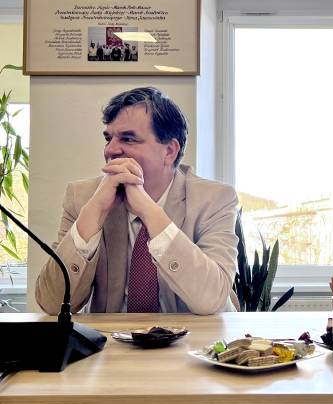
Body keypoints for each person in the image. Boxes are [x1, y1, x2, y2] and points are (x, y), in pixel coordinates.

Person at [36, 87, 239, 315]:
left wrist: (149, 211)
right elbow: (52, 303)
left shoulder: (214, 199)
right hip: (111, 336)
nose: (110, 150)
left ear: (170, 151)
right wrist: (95, 211)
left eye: (128, 139)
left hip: (193, 336)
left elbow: (211, 299)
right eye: (108, 138)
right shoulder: (83, 197)